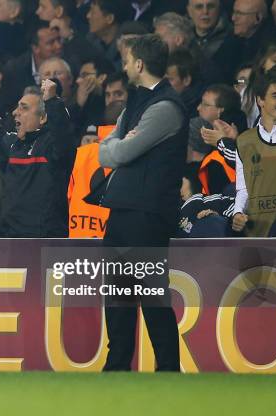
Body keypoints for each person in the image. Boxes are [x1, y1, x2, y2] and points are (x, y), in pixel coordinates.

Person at [98, 34, 187, 371]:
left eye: (127, 59)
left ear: (139, 64)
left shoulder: (164, 108)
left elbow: (118, 150)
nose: (123, 66)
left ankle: (168, 369)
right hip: (122, 210)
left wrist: (115, 147)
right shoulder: (137, 101)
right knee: (117, 296)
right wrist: (114, 147)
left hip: (147, 214)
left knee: (152, 296)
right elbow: (108, 147)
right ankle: (116, 367)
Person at [0, 78, 75, 237]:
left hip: (46, 239)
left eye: (24, 108)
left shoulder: (51, 147)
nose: (15, 112)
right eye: (17, 107)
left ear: (42, 118)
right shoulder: (13, 145)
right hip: (11, 238)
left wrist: (52, 102)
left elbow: (63, 136)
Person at [233, 65, 276, 237]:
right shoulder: (244, 141)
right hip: (255, 237)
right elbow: (243, 188)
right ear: (260, 100)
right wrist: (237, 212)